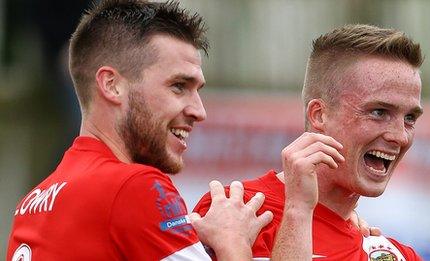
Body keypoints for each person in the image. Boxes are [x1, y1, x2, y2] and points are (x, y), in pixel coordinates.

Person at [6, 1, 274, 260]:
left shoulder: (32, 203)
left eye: (197, 90)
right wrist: (233, 242)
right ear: (112, 85)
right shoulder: (134, 186)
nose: (199, 111)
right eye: (179, 86)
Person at [195, 24, 424, 260]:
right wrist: (297, 212)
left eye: (410, 118)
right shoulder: (233, 213)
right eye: (378, 112)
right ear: (319, 114)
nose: (400, 136)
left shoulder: (396, 254)